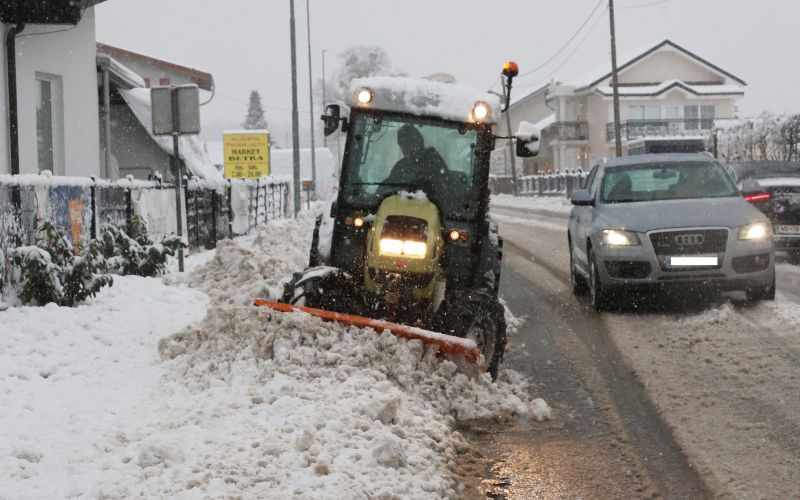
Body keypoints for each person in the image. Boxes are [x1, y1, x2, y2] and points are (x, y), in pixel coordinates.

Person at [382, 124, 448, 195]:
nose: (406, 147)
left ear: (419, 142)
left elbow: (442, 188)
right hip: (399, 204)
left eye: (410, 142)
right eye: (402, 143)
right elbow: (389, 186)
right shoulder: (400, 166)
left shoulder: (433, 160)